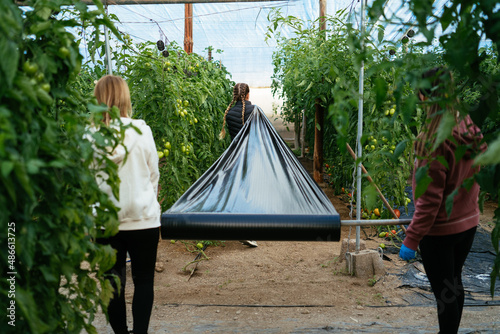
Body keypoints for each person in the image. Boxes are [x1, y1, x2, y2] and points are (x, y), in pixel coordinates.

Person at [399, 67, 486, 334]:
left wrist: (411, 239)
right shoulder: (466, 124)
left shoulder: (432, 140)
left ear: (425, 98)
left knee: (444, 293)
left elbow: (429, 202)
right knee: (453, 285)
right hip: (468, 226)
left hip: (441, 233)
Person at [93, 75, 161, 334]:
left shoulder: (91, 136)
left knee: (112, 282)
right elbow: (153, 173)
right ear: (125, 98)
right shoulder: (141, 131)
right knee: (144, 281)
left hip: (106, 221)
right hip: (143, 217)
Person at [219, 82, 258, 248]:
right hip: (250, 156)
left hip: (235, 156)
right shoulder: (254, 110)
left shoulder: (229, 113)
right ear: (248, 95)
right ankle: (246, 233)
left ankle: (239, 228)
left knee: (240, 191)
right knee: (248, 194)